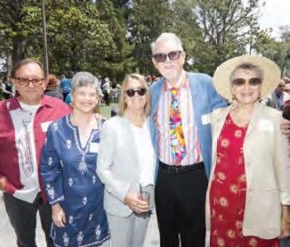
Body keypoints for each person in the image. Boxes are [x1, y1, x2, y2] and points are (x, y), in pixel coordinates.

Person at [149, 32, 227, 247]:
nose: (167, 61)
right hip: (164, 177)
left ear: (183, 56)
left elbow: (230, 113)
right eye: (160, 57)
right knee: (168, 237)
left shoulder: (205, 83)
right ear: (154, 63)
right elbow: (133, 118)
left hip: (196, 176)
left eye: (172, 54)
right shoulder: (152, 92)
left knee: (195, 236)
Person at [206, 55, 290, 246]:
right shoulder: (216, 118)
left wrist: (286, 210)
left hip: (260, 208)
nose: (247, 87)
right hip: (222, 205)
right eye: (239, 81)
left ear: (261, 86)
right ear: (232, 87)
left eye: (254, 81)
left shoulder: (276, 120)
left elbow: (283, 169)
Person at [0, 58, 71, 247]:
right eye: (24, 80)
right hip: (17, 194)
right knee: (25, 241)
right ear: (14, 82)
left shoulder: (60, 109)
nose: (31, 85)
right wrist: (0, 182)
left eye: (36, 80)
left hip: (54, 193)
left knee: (58, 240)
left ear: (44, 83)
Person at [40, 72, 110, 247]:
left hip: (99, 212)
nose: (87, 99)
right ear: (72, 96)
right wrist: (55, 207)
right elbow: (49, 170)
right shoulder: (57, 130)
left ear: (98, 98)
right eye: (82, 93)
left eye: (92, 94)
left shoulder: (107, 129)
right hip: (67, 212)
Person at [97, 73, 155, 247]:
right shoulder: (112, 126)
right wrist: (125, 195)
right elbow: (102, 169)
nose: (136, 96)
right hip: (120, 201)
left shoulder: (153, 125)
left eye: (141, 91)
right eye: (131, 92)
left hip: (146, 197)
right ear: (124, 96)